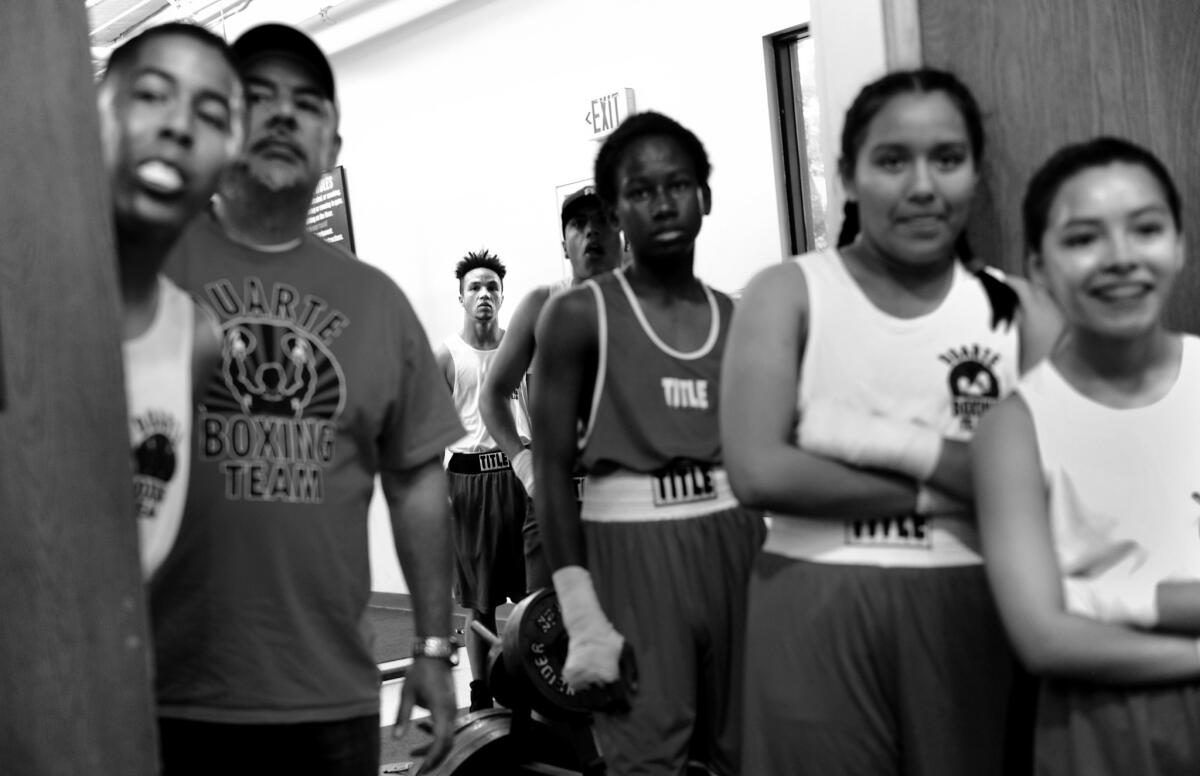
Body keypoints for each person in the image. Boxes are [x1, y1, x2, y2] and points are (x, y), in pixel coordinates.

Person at [721, 68, 1060, 775]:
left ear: (975, 172)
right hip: (812, 596)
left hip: (972, 602)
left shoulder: (1021, 312)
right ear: (847, 174)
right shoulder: (790, 292)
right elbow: (759, 470)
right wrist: (959, 479)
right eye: (891, 160)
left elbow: (1054, 486)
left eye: (947, 158)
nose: (922, 186)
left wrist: (884, 449)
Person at [152, 23, 463, 775]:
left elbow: (418, 481)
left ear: (334, 149)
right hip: (162, 691)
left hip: (328, 699)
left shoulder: (377, 304)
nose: (284, 115)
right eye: (258, 98)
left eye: (306, 103)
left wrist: (430, 644)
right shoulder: (146, 267)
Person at [532, 111, 767, 776]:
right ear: (614, 211)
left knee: (745, 754)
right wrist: (581, 615)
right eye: (640, 191)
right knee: (645, 760)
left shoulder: (737, 317)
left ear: (706, 197)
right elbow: (551, 471)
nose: (663, 204)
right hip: (633, 555)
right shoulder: (578, 315)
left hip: (735, 542)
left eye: (679, 185)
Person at [973, 136, 1200, 775]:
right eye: (1083, 239)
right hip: (1099, 731)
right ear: (1039, 269)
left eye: (1147, 229)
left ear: (1179, 245)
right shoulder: (1015, 428)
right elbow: (1042, 638)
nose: (1121, 259)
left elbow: (1061, 613)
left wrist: (1096, 600)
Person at [97, 22, 241, 581]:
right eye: (153, 95)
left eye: (210, 117)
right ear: (94, 115)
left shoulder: (197, 338)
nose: (180, 126)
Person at [478, 185, 623, 594]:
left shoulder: (647, 304)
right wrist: (522, 465)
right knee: (547, 632)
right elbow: (492, 395)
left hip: (628, 493)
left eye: (603, 221)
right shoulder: (541, 305)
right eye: (579, 224)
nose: (591, 232)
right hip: (555, 496)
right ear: (564, 245)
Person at [435, 248, 531, 712]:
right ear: (461, 297)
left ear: (502, 294)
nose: (484, 294)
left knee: (533, 596)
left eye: (492, 286)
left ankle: (534, 686)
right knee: (480, 601)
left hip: (517, 477)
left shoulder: (522, 349)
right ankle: (480, 694)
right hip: (468, 486)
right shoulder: (446, 355)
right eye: (475, 287)